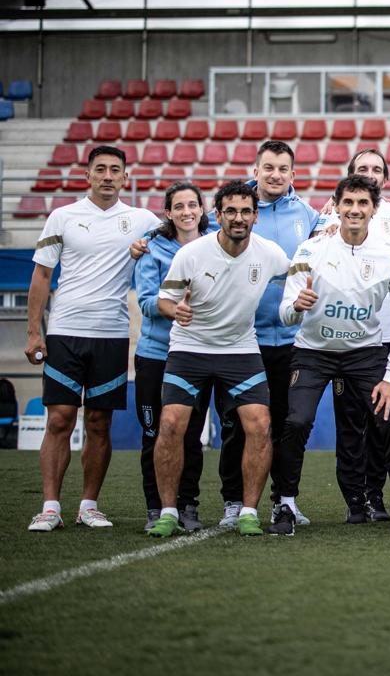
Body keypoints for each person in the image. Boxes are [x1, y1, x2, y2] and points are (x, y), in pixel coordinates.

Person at [269, 176, 390, 535]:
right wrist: (296, 307)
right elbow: (285, 312)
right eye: (347, 202)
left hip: (365, 354)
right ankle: (284, 503)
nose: (354, 209)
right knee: (296, 422)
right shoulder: (311, 250)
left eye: (362, 203)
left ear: (374, 209)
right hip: (313, 352)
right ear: (335, 205)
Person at [146, 181, 291, 537]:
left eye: (245, 211)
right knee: (170, 424)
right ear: (219, 215)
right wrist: (174, 310)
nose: (238, 218)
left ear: (255, 216)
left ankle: (248, 512)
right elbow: (165, 299)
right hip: (189, 349)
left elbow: (300, 271)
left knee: (259, 424)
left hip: (240, 349)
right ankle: (167, 511)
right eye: (230, 211)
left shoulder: (269, 253)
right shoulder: (192, 253)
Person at [26, 146, 159, 532]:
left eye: (114, 170)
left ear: (125, 179)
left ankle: (89, 505)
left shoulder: (142, 220)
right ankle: (50, 507)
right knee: (60, 419)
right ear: (87, 175)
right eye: (99, 169)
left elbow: (186, 234)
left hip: (113, 335)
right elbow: (41, 277)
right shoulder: (62, 216)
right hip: (65, 332)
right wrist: (35, 331)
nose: (106, 176)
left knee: (99, 423)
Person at [220, 140, 320, 530]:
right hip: (240, 338)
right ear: (256, 170)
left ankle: (283, 501)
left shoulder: (308, 216)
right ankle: (233, 501)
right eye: (269, 168)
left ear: (293, 175)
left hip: (291, 341)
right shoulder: (237, 208)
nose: (276, 175)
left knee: (283, 424)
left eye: (283, 169)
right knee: (235, 423)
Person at [315, 148, 390, 521]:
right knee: (351, 422)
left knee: (383, 422)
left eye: (376, 169)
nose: (370, 174)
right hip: (348, 335)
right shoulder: (332, 213)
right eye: (362, 169)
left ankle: (381, 494)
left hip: (388, 335)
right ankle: (358, 499)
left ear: (385, 180)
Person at [132, 181, 213, 532]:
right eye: (178, 206)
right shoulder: (152, 248)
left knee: (191, 435)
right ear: (168, 212)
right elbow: (146, 302)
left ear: (201, 209)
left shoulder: (215, 247)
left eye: (192, 205)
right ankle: (156, 507)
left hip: (197, 355)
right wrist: (173, 309)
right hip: (156, 355)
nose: (186, 212)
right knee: (154, 435)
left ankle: (187, 505)